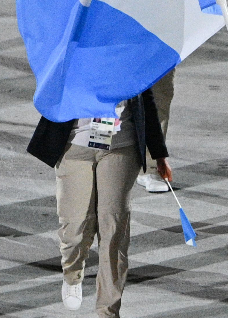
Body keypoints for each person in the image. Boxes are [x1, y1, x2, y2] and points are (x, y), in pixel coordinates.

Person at [26, 87, 172, 316]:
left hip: (121, 146)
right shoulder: (72, 50)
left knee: (113, 231)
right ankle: (72, 273)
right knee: (75, 228)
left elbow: (147, 97)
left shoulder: (131, 52)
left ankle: (108, 311)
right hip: (75, 146)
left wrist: (158, 154)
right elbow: (48, 88)